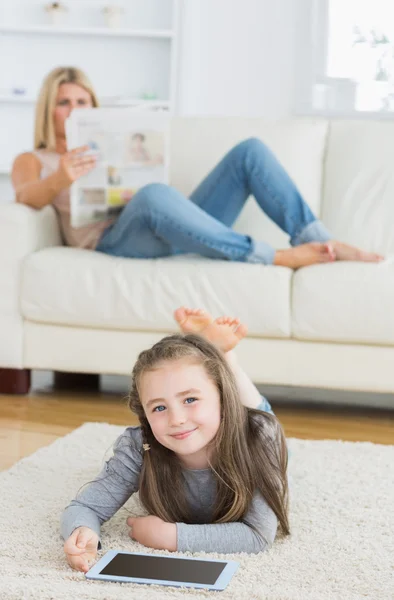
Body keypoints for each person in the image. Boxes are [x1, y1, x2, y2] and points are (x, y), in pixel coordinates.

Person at [12, 67, 383, 267]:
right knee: (154, 196)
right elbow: (26, 195)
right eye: (64, 102)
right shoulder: (33, 159)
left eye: (82, 100)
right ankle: (276, 257)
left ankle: (319, 241)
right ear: (49, 108)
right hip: (116, 240)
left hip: (165, 224)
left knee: (249, 152)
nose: (74, 109)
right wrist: (61, 177)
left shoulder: (110, 140)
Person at [61, 306, 289, 572]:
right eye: (159, 407)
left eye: (190, 399)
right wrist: (82, 531)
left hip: (250, 429)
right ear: (144, 414)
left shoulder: (261, 437)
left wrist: (170, 537)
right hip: (221, 414)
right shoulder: (138, 446)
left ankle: (225, 358)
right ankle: (210, 356)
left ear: (224, 399)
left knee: (260, 416)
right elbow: (85, 507)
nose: (176, 419)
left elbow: (259, 536)